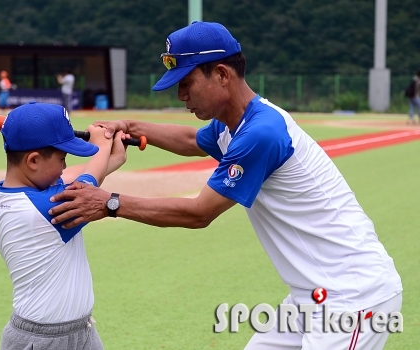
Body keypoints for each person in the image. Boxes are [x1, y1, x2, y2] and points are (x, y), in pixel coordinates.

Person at [48, 21, 403, 350]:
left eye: (186, 85)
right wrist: (130, 124)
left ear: (220, 74)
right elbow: (191, 140)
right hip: (312, 295)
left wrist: (109, 202)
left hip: (352, 296)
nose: (180, 96)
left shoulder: (260, 132)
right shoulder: (233, 122)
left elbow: (199, 212)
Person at [0, 102, 127, 350]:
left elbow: (70, 179)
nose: (64, 167)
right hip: (45, 341)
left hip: (80, 331)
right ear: (34, 160)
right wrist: (101, 145)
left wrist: (111, 159)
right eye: (62, 158)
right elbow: (86, 185)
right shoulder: (45, 210)